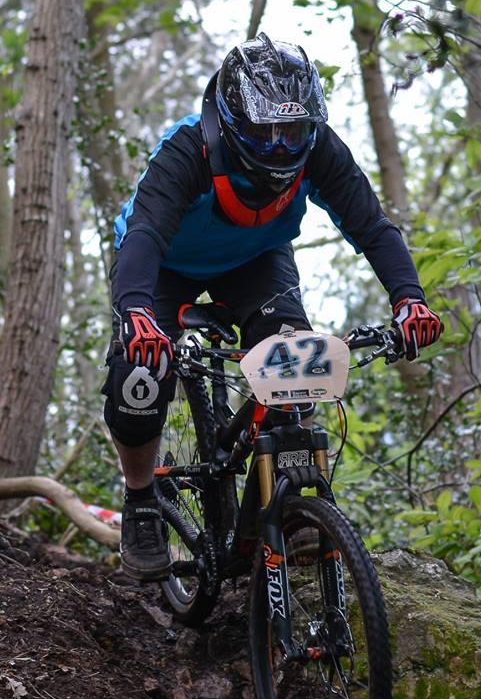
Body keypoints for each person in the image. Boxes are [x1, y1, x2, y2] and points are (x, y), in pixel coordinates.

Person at [103, 32, 442, 581]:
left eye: (295, 132)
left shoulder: (321, 149)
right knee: (139, 376)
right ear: (235, 121)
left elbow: (372, 228)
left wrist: (410, 300)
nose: (283, 146)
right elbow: (144, 232)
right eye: (269, 133)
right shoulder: (189, 148)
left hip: (256, 259)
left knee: (296, 365)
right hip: (162, 263)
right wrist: (137, 312)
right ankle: (141, 499)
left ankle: (292, 501)